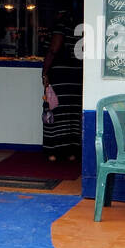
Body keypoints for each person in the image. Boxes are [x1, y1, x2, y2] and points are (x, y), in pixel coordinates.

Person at [41, 10, 82, 163]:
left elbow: (54, 49)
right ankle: (71, 152)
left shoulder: (61, 26)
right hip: (77, 76)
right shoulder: (80, 27)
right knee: (72, 113)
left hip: (60, 75)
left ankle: (53, 152)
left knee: (53, 110)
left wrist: (45, 71)